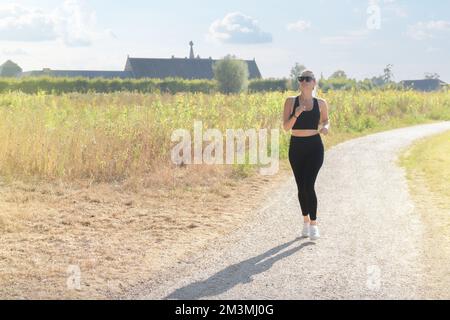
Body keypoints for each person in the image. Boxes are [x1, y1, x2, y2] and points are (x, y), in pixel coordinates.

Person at [282, 70, 330, 240]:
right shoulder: (290, 101)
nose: (303, 81)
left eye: (307, 79)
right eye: (301, 79)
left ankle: (314, 224)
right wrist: (296, 113)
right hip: (296, 147)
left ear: (314, 82)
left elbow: (326, 120)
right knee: (301, 187)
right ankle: (305, 221)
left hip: (314, 147)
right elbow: (286, 127)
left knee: (309, 185)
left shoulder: (321, 103)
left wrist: (326, 127)